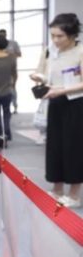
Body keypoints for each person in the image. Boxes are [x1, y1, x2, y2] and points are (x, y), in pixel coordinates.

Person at [29, 13, 83, 208]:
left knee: (74, 149)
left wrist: (62, 90)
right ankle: (57, 188)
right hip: (55, 102)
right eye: (53, 35)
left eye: (60, 36)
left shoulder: (80, 51)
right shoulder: (50, 51)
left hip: (76, 105)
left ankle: (74, 194)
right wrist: (38, 78)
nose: (56, 40)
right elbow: (42, 72)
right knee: (54, 147)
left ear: (72, 34)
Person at [0, 28, 22, 113]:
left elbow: (19, 54)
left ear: (6, 35)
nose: (2, 37)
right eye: (1, 35)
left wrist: (10, 53)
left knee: (12, 88)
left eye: (4, 35)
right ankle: (4, 107)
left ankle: (15, 106)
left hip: (11, 69)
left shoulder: (13, 43)